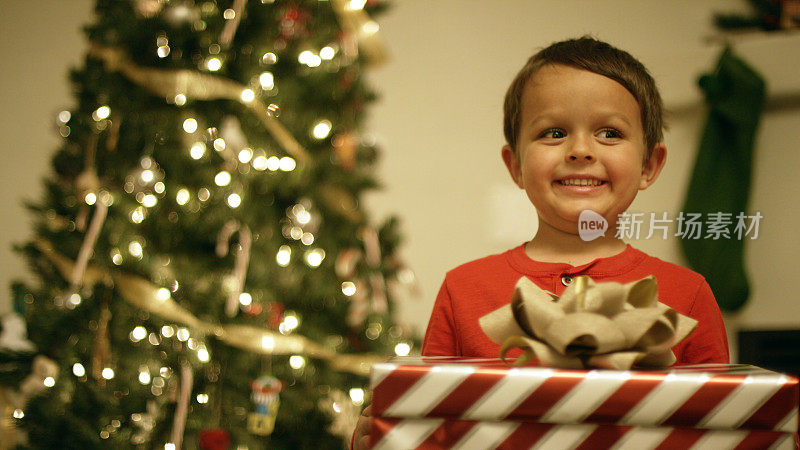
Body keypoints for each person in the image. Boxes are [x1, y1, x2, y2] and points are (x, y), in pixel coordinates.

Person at [352, 36, 729, 449]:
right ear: (515, 165)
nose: (581, 150)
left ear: (649, 164)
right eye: (553, 132)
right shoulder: (463, 290)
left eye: (609, 132)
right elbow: (431, 430)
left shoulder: (689, 295)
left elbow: (729, 429)